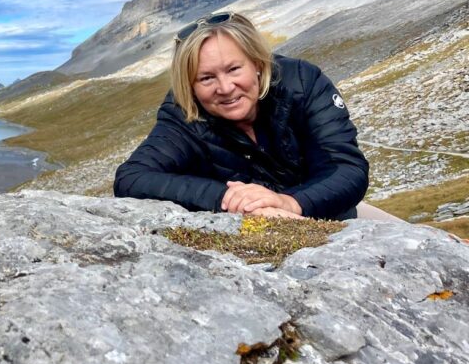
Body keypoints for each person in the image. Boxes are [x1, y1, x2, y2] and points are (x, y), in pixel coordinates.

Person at [114, 12, 369, 220]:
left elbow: (346, 168)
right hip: (248, 225)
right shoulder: (182, 114)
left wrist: (289, 203)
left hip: (329, 212)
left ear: (257, 64)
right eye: (206, 78)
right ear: (190, 86)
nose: (225, 88)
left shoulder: (302, 82)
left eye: (234, 69)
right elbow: (132, 178)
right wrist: (227, 198)